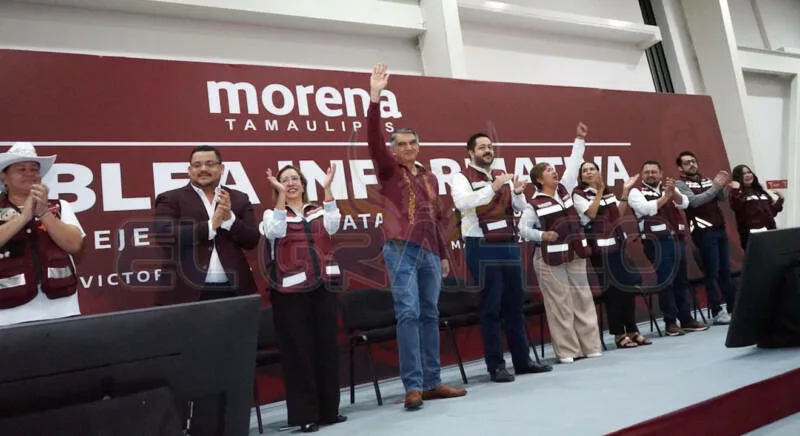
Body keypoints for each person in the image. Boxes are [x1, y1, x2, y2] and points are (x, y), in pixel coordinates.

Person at [367, 63, 466, 410]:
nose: (407, 148)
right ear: (393, 149)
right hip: (400, 250)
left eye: (412, 143)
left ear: (419, 147)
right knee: (408, 312)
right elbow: (373, 139)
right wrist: (375, 97)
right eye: (401, 144)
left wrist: (443, 255)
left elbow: (437, 220)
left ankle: (432, 382)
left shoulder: (430, 177)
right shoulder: (389, 171)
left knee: (430, 314)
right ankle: (412, 386)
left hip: (429, 252)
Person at [450, 133, 553, 382]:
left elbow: (519, 207)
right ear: (470, 153)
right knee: (491, 306)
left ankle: (522, 361)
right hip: (481, 245)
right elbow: (463, 203)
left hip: (508, 243)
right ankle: (496, 365)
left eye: (490, 146)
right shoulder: (461, 177)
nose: (487, 150)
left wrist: (516, 192)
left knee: (514, 305)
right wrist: (493, 187)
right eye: (482, 147)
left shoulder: (501, 175)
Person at [260, 164, 345, 433]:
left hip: (323, 288)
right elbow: (275, 231)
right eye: (284, 180)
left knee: (326, 348)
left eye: (295, 179)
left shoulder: (317, 210)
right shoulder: (272, 214)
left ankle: (329, 410)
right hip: (290, 294)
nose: (290, 183)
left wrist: (328, 189)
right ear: (277, 186)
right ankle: (305, 415)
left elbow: (333, 224)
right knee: (299, 353)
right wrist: (280, 198)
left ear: (304, 183)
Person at [518, 122, 603, 364]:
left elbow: (574, 162)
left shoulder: (565, 189)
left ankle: (591, 346)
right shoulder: (533, 204)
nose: (554, 172)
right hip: (548, 259)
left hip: (574, 253)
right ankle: (567, 351)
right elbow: (522, 229)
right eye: (548, 170)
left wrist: (579, 139)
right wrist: (541, 235)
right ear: (538, 179)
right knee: (560, 303)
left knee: (583, 298)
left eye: (554, 169)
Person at [153, 145, 259, 303]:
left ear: (221, 168)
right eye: (197, 165)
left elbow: (252, 240)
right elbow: (164, 235)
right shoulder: (170, 199)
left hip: (235, 291)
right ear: (189, 170)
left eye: (210, 164)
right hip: (185, 294)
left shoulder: (239, 198)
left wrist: (230, 220)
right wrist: (211, 226)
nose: (203, 169)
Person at [0, 142, 84, 326]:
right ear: (4, 176)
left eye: (34, 169)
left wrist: (44, 212)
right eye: (21, 169)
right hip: (7, 315)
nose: (29, 173)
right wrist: (24, 217)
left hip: (62, 309)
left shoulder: (60, 206)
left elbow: (75, 246)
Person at [572, 162, 651, 349]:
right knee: (612, 292)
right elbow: (591, 213)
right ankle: (619, 334)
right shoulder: (579, 194)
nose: (589, 172)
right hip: (600, 251)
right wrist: (599, 191)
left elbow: (618, 214)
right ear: (581, 176)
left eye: (592, 169)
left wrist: (625, 192)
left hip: (618, 246)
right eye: (585, 170)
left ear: (598, 172)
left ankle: (632, 330)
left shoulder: (607, 192)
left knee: (627, 288)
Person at [628, 160, 709, 336]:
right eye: (647, 172)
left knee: (681, 280)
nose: (650, 175)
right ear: (642, 175)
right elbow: (646, 209)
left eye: (654, 172)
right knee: (666, 281)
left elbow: (684, 203)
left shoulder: (669, 187)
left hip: (676, 239)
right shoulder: (635, 192)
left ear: (661, 173)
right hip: (655, 243)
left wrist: (673, 194)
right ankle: (670, 322)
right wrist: (666, 196)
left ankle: (686, 319)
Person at [674, 151, 735, 325]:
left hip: (719, 228)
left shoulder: (707, 179)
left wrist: (723, 185)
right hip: (702, 232)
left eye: (693, 161)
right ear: (680, 168)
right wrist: (715, 186)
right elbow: (694, 202)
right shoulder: (680, 184)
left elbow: (722, 198)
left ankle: (734, 308)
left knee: (725, 271)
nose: (692, 164)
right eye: (687, 163)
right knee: (712, 272)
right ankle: (717, 311)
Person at [728, 164, 784, 249]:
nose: (747, 175)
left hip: (770, 232)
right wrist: (736, 190)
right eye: (743, 174)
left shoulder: (760, 191)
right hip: (752, 236)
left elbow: (772, 212)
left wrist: (781, 199)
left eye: (749, 172)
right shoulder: (736, 193)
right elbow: (736, 207)